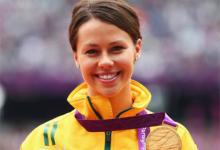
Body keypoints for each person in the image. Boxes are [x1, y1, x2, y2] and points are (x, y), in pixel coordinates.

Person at [20, 0, 197, 149]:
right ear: (76, 57)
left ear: (137, 49)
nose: (105, 62)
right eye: (92, 51)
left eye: (116, 49)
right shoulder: (42, 141)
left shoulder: (172, 138)